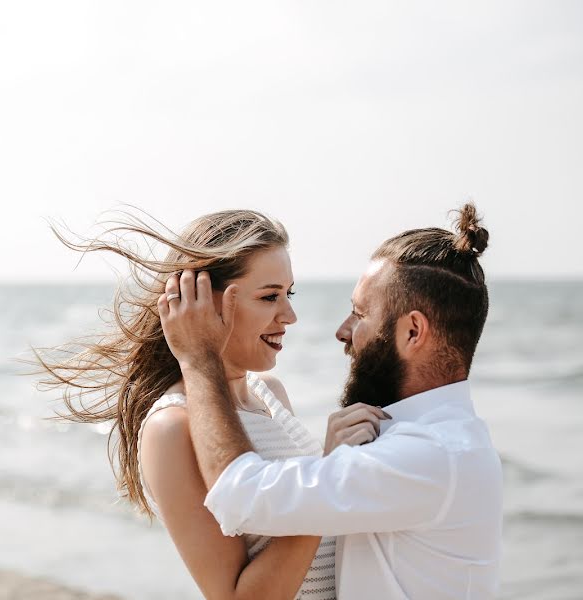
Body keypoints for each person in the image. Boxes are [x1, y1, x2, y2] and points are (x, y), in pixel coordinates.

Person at [158, 204, 503, 599]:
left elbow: (241, 494)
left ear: (412, 332)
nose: (342, 331)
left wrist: (199, 359)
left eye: (359, 314)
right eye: (271, 296)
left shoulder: (426, 453)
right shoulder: (421, 440)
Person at [35, 209, 352, 599]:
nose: (290, 315)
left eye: (289, 294)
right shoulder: (171, 427)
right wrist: (328, 481)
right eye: (270, 296)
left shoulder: (270, 393)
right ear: (199, 302)